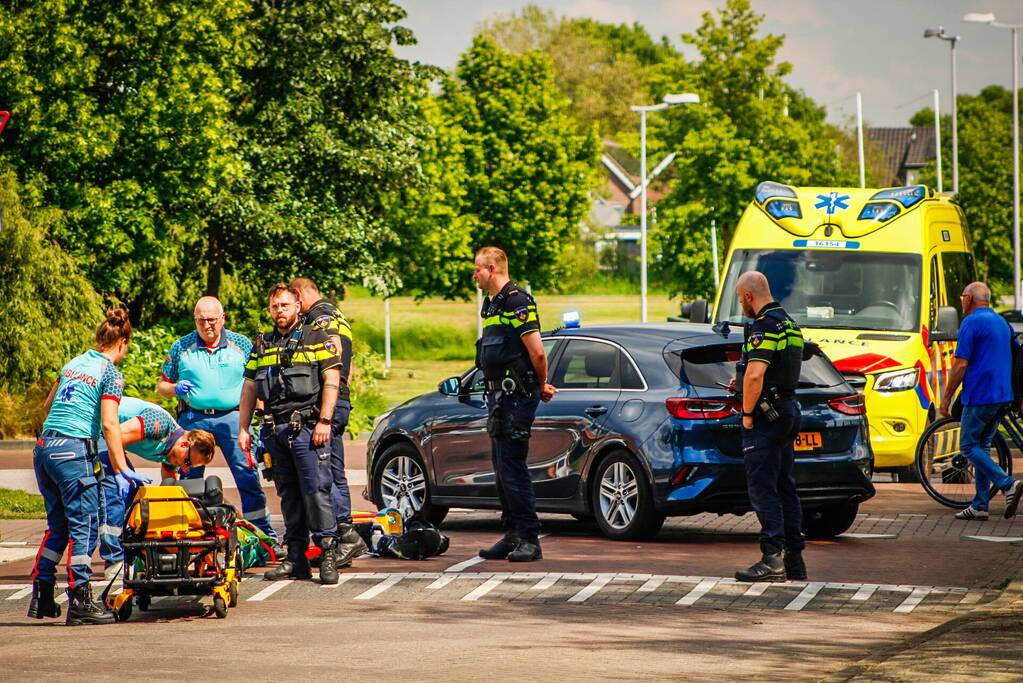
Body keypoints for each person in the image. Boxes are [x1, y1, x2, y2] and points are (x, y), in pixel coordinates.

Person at [29, 309, 150, 626]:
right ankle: (80, 600)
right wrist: (123, 469)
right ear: (123, 343)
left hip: (45, 449)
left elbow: (47, 406)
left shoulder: (73, 364)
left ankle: (42, 592)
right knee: (84, 526)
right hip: (73, 452)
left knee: (59, 527)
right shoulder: (110, 373)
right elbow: (110, 425)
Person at [238, 283, 344, 584]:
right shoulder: (263, 343)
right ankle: (296, 559)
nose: (279, 311)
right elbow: (249, 387)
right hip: (275, 430)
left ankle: (327, 555)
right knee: (289, 496)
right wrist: (243, 428)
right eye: (274, 307)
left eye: (284, 305)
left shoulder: (316, 336)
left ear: (298, 305)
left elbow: (332, 380)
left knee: (316, 493)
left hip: (308, 429)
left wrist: (325, 421)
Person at [156, 296, 274, 539]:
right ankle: (192, 533)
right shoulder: (181, 346)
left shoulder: (241, 344)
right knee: (189, 478)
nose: (207, 325)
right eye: (201, 321)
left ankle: (264, 535)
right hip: (194, 419)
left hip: (234, 417)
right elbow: (162, 386)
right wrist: (175, 388)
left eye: (212, 320)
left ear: (222, 319)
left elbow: (255, 382)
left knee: (247, 475)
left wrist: (263, 414)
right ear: (195, 320)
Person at [473, 246, 557, 563]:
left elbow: (536, 352)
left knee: (513, 467)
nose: (475, 275)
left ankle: (529, 538)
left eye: (478, 269)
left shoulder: (517, 301)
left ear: (492, 268)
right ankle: (511, 534)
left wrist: (540, 383)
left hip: (516, 395)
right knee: (501, 469)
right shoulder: (491, 305)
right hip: (497, 396)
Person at [733, 271, 807, 583]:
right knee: (785, 487)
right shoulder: (790, 324)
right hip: (788, 409)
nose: (742, 306)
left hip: (767, 416)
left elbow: (755, 375)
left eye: (740, 300)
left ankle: (771, 558)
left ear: (749, 296)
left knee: (763, 488)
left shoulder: (763, 327)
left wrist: (748, 413)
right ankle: (794, 559)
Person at [290, 277, 366, 566]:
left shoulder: (318, 318)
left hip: (327, 401)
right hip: (339, 398)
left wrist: (325, 402)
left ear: (299, 295)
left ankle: (344, 537)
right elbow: (349, 358)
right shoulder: (336, 314)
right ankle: (344, 535)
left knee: (327, 472)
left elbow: (330, 358)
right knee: (333, 469)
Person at [96, 397, 217, 578]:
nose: (185, 468)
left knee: (136, 498)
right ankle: (114, 562)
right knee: (116, 491)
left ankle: (132, 554)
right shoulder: (158, 425)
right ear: (185, 444)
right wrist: (119, 471)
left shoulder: (173, 453)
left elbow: (169, 494)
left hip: (109, 436)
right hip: (97, 430)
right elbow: (113, 435)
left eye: (188, 467)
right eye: (188, 462)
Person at [939, 281, 1023, 520]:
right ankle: (979, 505)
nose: (961, 300)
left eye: (962, 296)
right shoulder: (1002, 323)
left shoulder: (971, 322)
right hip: (1003, 395)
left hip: (980, 395)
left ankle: (1008, 484)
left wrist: (946, 398)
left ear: (969, 299)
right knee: (983, 446)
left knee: (967, 446)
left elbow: (961, 364)